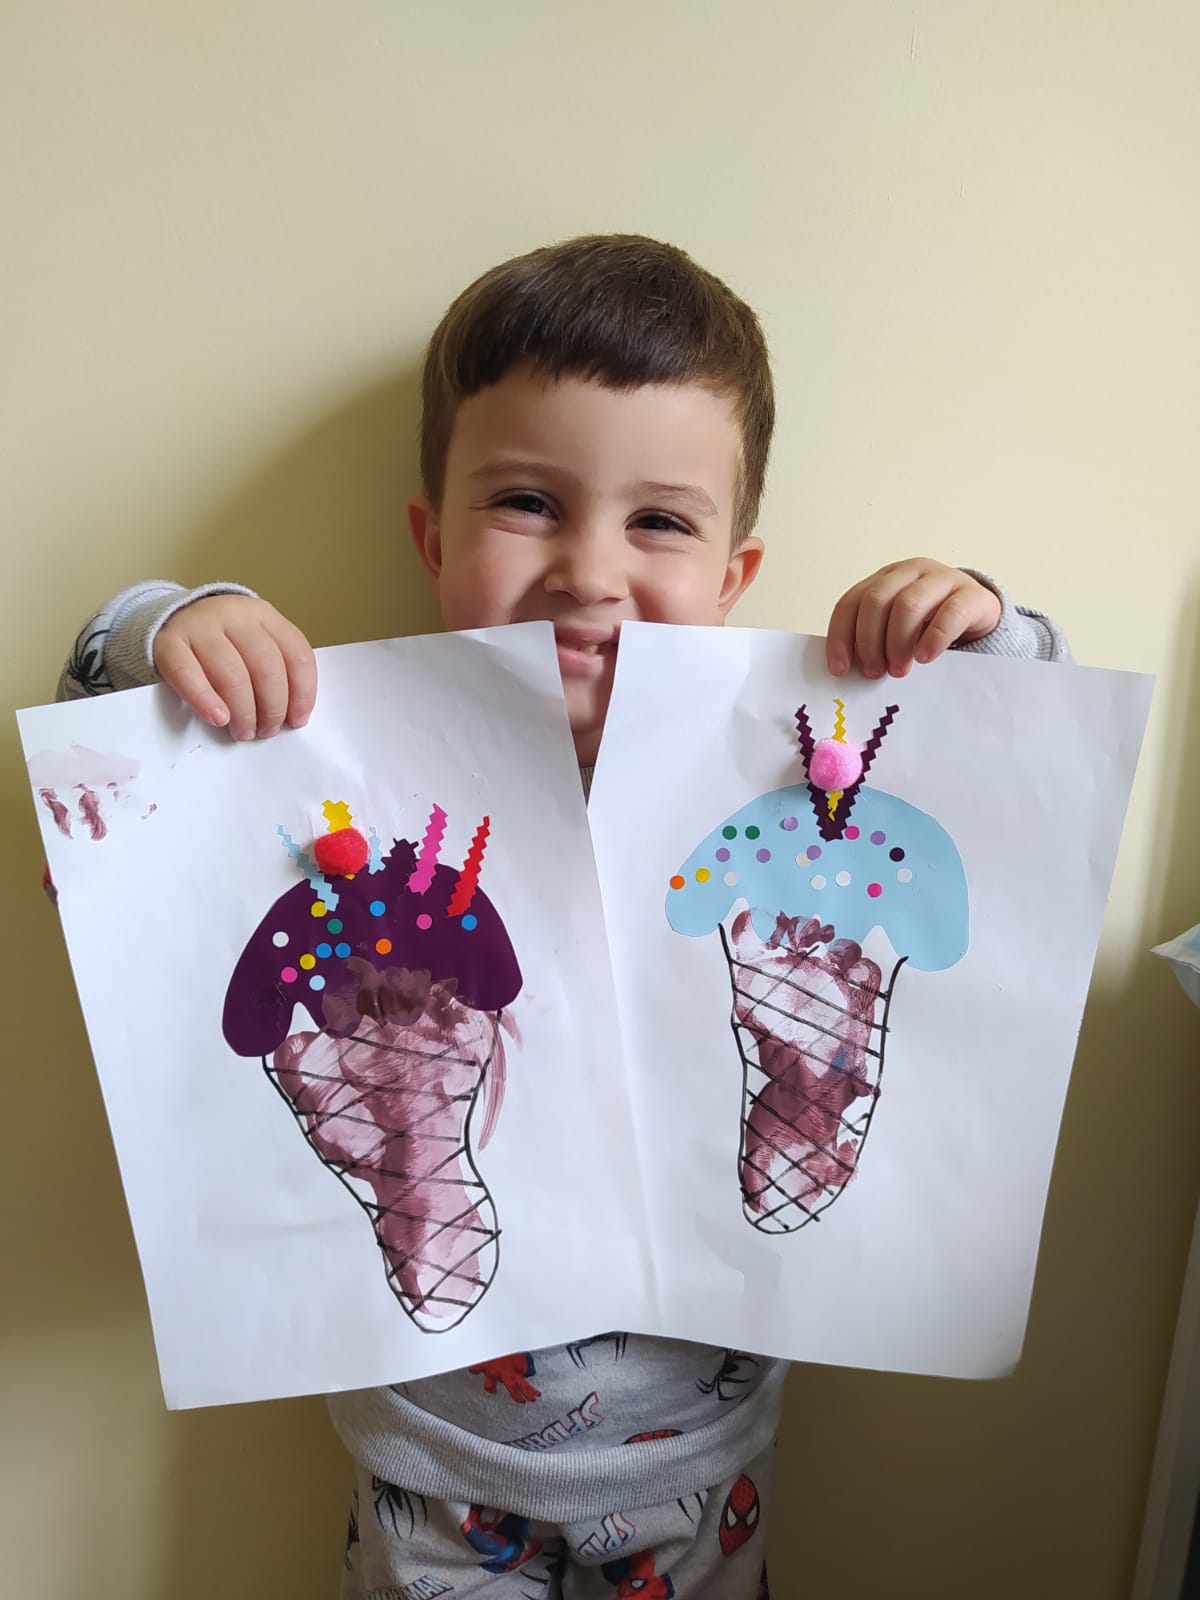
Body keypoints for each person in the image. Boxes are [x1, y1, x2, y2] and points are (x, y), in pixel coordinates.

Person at [57, 235, 1069, 1599]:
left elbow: (1030, 762)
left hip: (704, 1463)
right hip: (429, 1469)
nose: (590, 569)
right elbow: (103, 728)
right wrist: (180, 624)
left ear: (733, 576)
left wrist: (978, 633)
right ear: (431, 538)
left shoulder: (768, 781)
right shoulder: (336, 760)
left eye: (659, 522)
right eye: (527, 503)